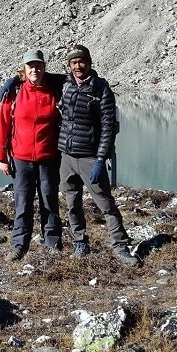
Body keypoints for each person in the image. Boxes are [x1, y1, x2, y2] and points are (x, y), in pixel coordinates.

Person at [58, 44, 139, 267]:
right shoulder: (64, 84)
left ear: (89, 63)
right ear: (69, 66)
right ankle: (80, 242)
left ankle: (120, 246)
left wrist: (101, 160)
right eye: (73, 62)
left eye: (81, 61)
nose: (78, 66)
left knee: (105, 204)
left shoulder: (100, 89)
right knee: (72, 203)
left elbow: (108, 128)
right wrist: (15, 80)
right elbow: (37, 77)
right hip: (66, 156)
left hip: (90, 158)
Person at [0, 48, 63, 261]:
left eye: (39, 65)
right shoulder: (14, 93)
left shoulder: (55, 91)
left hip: (48, 157)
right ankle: (19, 244)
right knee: (22, 202)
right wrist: (2, 158)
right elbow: (3, 125)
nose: (35, 69)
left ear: (44, 68)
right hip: (21, 158)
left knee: (49, 201)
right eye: (30, 65)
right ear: (24, 69)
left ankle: (52, 243)